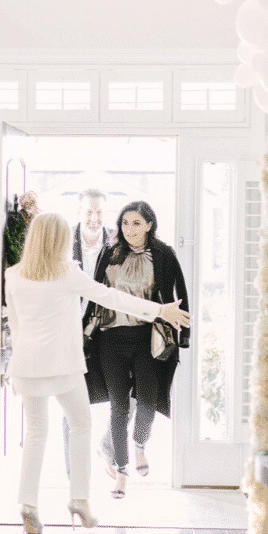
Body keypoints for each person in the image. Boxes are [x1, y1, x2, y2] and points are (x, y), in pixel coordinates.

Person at [5, 213, 189, 534]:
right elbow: (112, 297)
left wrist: (13, 371)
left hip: (27, 367)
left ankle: (27, 504)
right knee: (80, 427)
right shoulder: (66, 274)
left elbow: (16, 327)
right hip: (63, 366)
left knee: (36, 433)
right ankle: (80, 501)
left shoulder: (13, 275)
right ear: (60, 240)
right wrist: (160, 310)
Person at [83, 201, 190, 499]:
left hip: (148, 338)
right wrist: (84, 332)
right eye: (125, 223)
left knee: (147, 401)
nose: (129, 229)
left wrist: (185, 335)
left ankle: (139, 444)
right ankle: (121, 474)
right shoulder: (110, 250)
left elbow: (180, 295)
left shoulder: (164, 254)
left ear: (149, 225)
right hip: (110, 338)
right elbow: (94, 292)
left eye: (136, 223)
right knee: (118, 407)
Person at [62, 189, 116, 478]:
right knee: (71, 407)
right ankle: (74, 480)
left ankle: (107, 447)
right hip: (71, 334)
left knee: (128, 393)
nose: (94, 218)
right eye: (89, 212)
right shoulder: (63, 241)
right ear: (79, 212)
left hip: (106, 331)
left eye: (99, 212)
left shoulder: (117, 241)